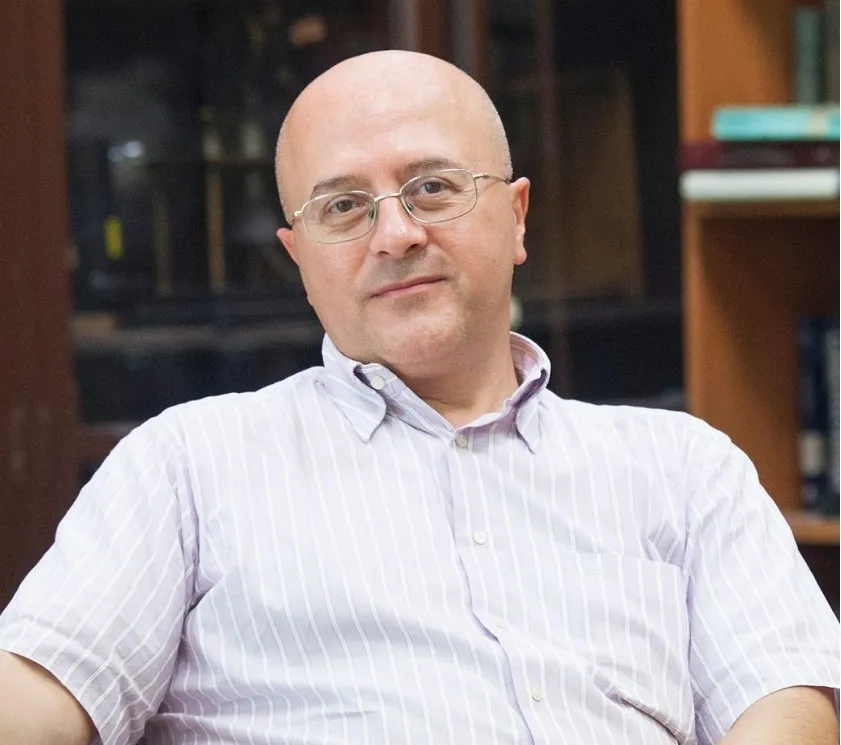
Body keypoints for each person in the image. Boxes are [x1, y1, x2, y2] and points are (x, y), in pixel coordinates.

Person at [0, 50, 838, 745]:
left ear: (516, 216)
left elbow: (785, 697)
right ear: (299, 258)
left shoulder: (683, 469)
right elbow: (39, 689)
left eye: (432, 187)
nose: (396, 234)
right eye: (343, 207)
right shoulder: (185, 464)